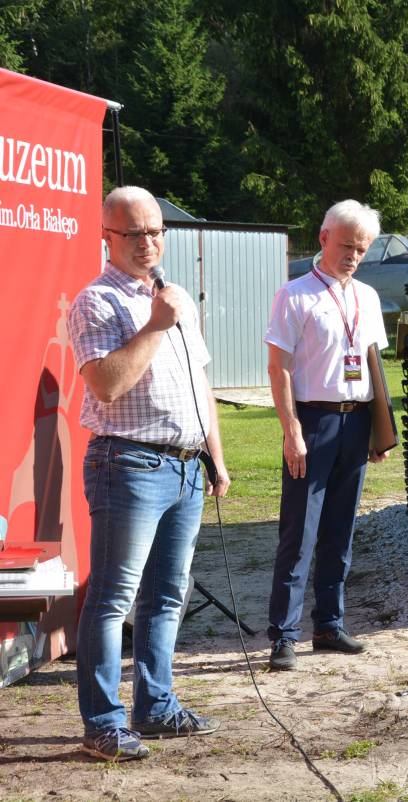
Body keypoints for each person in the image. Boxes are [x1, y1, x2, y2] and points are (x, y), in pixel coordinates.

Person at [68, 186, 231, 762]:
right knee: (114, 598)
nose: (148, 243)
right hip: (128, 464)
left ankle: (156, 706)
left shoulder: (175, 296)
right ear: (107, 237)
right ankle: (103, 724)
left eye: (156, 231)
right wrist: (156, 325)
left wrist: (215, 455)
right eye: (134, 233)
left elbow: (198, 382)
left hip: (185, 466)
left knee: (167, 594)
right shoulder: (96, 302)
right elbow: (107, 385)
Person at [264, 200, 389, 671]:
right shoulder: (294, 295)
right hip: (313, 421)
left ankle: (329, 625)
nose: (353, 256)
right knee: (300, 532)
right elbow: (278, 368)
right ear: (324, 239)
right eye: (347, 245)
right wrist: (291, 430)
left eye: (362, 249)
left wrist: (379, 429)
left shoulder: (368, 297)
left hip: (355, 422)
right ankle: (283, 634)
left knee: (341, 530)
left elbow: (373, 365)